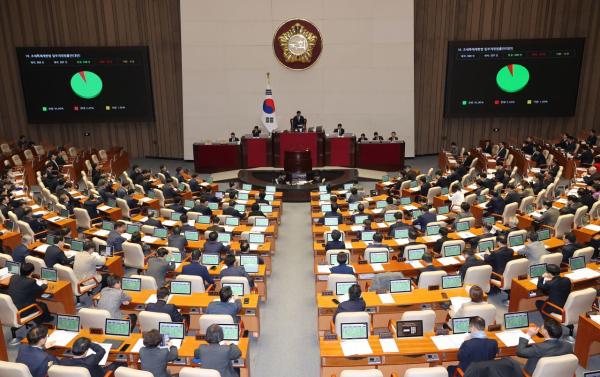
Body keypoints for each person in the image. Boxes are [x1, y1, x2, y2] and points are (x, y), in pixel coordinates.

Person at [59, 337, 125, 377]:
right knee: (120, 363)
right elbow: (101, 351)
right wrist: (89, 343)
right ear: (86, 350)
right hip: (100, 375)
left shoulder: (63, 361)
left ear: (72, 348)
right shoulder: (91, 360)